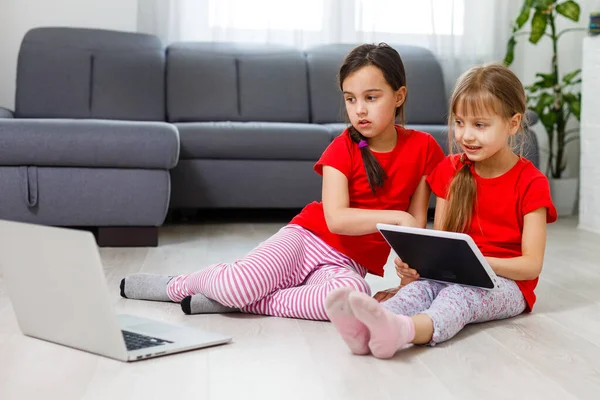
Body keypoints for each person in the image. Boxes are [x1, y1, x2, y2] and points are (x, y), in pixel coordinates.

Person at [119, 43, 444, 321]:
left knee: (353, 296)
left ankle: (240, 303)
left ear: (399, 95)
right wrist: (396, 218)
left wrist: (406, 282)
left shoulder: (425, 147)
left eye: (371, 98)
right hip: (306, 240)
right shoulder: (342, 148)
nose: (359, 110)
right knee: (236, 284)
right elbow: (337, 219)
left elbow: (413, 226)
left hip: (350, 265)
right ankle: (178, 285)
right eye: (350, 99)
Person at [325, 63, 557, 357]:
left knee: (459, 297)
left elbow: (531, 266)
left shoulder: (532, 182)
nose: (466, 136)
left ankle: (405, 331)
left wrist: (478, 262)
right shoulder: (450, 170)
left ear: (513, 124)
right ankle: (366, 330)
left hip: (510, 285)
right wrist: (418, 268)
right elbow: (442, 242)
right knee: (417, 291)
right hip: (455, 273)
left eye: (480, 125)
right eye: (459, 123)